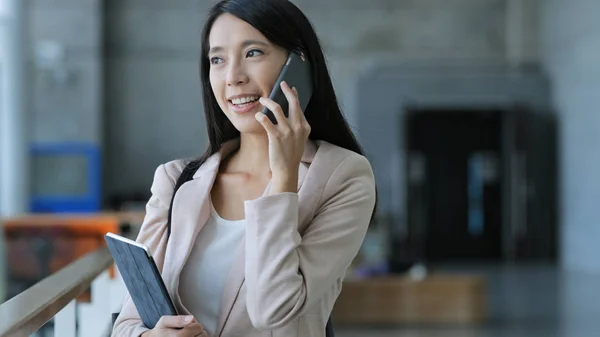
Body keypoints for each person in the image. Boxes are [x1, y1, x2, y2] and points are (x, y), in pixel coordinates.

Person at [112, 0, 377, 336]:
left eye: (253, 53)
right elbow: (126, 325)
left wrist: (283, 179)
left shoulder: (343, 176)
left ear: (297, 66)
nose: (233, 77)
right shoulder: (175, 181)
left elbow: (274, 310)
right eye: (217, 59)